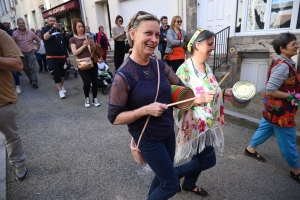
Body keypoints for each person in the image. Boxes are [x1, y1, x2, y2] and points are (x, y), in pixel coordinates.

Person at [107, 11, 192, 200]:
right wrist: (146, 110)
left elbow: (182, 89)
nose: (154, 39)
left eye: (156, 35)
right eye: (148, 33)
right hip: (148, 139)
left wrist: (187, 111)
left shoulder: (160, 65)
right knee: (170, 185)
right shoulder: (123, 75)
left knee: (163, 178)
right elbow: (114, 117)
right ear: (132, 33)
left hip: (168, 133)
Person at [174, 29, 232, 196]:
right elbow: (178, 101)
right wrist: (195, 101)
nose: (213, 47)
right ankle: (176, 173)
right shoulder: (184, 70)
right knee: (208, 160)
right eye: (210, 44)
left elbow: (209, 89)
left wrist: (222, 91)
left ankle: (189, 183)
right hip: (194, 123)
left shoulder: (206, 67)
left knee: (199, 157)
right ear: (197, 45)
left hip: (208, 122)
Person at [244, 32, 300, 183]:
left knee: (266, 126)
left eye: (296, 43)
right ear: (282, 48)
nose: (297, 46)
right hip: (282, 111)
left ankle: (250, 149)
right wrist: (292, 96)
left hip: (273, 107)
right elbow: (270, 89)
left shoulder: (283, 61)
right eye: (293, 44)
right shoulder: (283, 66)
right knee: (288, 140)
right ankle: (295, 170)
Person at [0, 29, 28, 181]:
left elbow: (18, 64)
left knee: (11, 137)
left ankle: (19, 164)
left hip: (2, 101)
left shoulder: (1, 35)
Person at [70, 18, 101, 108]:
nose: (81, 28)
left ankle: (95, 98)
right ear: (75, 28)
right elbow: (75, 52)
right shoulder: (73, 39)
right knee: (86, 82)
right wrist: (83, 45)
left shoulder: (89, 36)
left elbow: (94, 50)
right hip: (82, 63)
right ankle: (87, 98)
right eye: (79, 27)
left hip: (92, 62)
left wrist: (93, 46)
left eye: (82, 26)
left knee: (95, 82)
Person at [41, 15, 70, 99]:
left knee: (62, 73)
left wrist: (67, 56)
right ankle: (60, 91)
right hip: (51, 57)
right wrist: (52, 29)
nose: (53, 22)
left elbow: (64, 44)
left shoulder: (59, 30)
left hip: (62, 56)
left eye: (54, 21)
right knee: (56, 74)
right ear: (48, 22)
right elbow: (45, 38)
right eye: (51, 21)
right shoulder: (45, 30)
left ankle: (61, 86)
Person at [12, 18, 40, 89]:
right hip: (21, 54)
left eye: (23, 23)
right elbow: (13, 44)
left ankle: (34, 82)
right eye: (20, 23)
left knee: (32, 68)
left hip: (31, 53)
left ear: (25, 24)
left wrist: (37, 49)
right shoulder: (15, 34)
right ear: (17, 24)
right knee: (25, 68)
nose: (22, 24)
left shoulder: (31, 33)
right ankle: (31, 78)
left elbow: (38, 40)